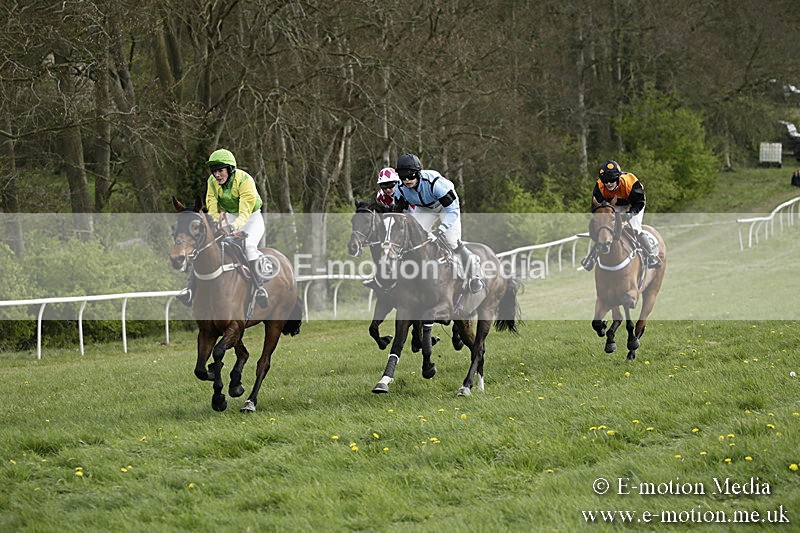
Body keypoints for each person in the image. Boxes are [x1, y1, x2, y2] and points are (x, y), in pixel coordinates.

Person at [176, 148, 270, 308]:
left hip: (251, 217)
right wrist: (218, 221)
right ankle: (190, 289)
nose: (217, 175)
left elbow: (245, 213)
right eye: (214, 172)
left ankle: (260, 288)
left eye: (220, 171)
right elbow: (212, 205)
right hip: (231, 216)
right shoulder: (212, 182)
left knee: (248, 246)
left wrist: (232, 227)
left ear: (230, 169)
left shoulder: (245, 180)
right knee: (207, 246)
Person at [392, 153, 484, 293]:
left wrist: (439, 230)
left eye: (410, 176)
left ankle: (474, 273)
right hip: (424, 209)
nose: (406, 180)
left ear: (418, 173)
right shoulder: (400, 189)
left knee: (452, 241)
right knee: (411, 236)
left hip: (446, 208)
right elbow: (399, 213)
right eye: (402, 176)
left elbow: (452, 210)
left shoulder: (435, 183)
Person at [581, 159, 661, 270]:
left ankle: (651, 256)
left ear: (618, 177)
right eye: (605, 181)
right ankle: (591, 257)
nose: (608, 184)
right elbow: (596, 207)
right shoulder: (599, 186)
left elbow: (639, 202)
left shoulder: (631, 182)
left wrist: (630, 214)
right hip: (614, 205)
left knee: (635, 228)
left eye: (612, 180)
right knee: (604, 229)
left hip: (634, 203)